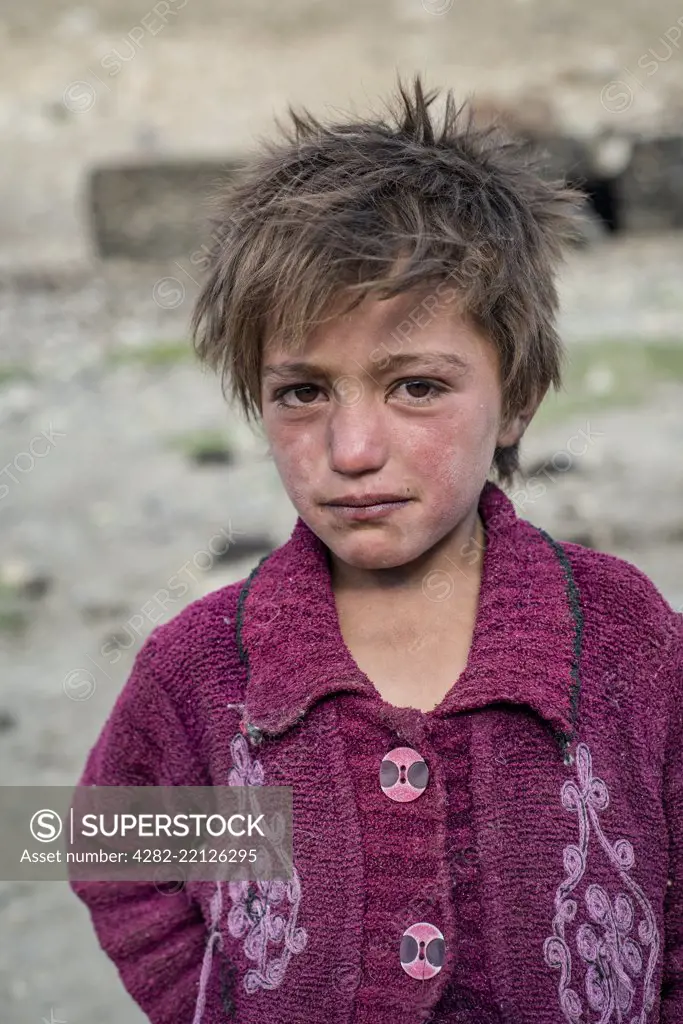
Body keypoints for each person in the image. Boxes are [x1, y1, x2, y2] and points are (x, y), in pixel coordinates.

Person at [69, 74, 683, 1023]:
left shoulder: (622, 641)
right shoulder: (203, 673)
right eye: (303, 392)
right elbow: (109, 852)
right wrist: (207, 1001)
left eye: (416, 388)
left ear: (517, 395)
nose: (351, 452)